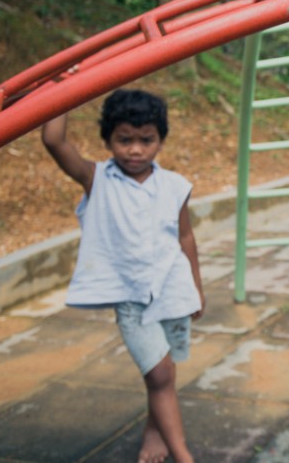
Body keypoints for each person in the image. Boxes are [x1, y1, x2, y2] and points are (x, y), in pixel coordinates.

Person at [41, 89, 203, 463]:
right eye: (124, 140)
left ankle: (155, 431)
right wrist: (66, 87)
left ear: (160, 139)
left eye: (146, 140)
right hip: (133, 299)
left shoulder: (174, 186)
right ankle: (183, 455)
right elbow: (53, 140)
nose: (135, 150)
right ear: (108, 140)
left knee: (164, 372)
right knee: (159, 374)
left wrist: (196, 287)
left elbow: (185, 237)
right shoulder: (98, 179)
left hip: (173, 289)